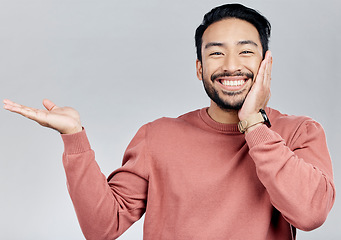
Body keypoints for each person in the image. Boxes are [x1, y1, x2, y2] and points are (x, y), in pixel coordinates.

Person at [3, 3, 335, 240]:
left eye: (245, 51)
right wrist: (74, 136)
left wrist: (254, 125)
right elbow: (102, 227)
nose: (231, 65)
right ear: (199, 68)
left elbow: (310, 214)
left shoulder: (299, 132)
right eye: (216, 52)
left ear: (266, 63)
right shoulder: (157, 136)